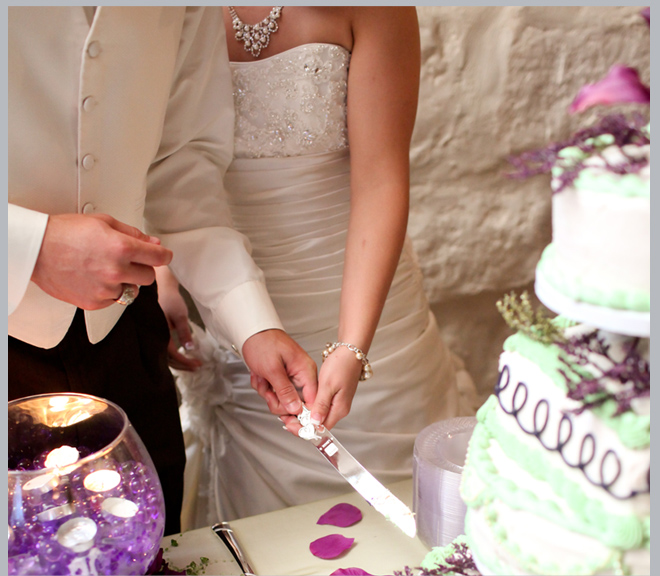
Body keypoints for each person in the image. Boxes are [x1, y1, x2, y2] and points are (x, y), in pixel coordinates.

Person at [157, 6, 480, 527]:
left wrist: (353, 345)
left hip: (362, 301)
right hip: (233, 310)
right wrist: (165, 274)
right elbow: (162, 164)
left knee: (408, 523)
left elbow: (380, 181)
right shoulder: (154, 16)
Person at [8, 6, 317, 536]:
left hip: (126, 342)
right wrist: (30, 248)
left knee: (155, 546)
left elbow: (182, 166)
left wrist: (253, 323)